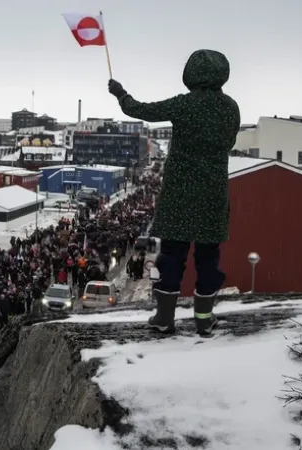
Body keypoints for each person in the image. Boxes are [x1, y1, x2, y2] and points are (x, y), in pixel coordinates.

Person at [108, 49, 240, 336]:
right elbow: (228, 143)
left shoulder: (184, 105)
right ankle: (204, 318)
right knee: (208, 257)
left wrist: (120, 94)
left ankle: (164, 317)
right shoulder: (230, 108)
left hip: (180, 190)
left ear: (190, 74)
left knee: (172, 256)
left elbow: (140, 110)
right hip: (213, 191)